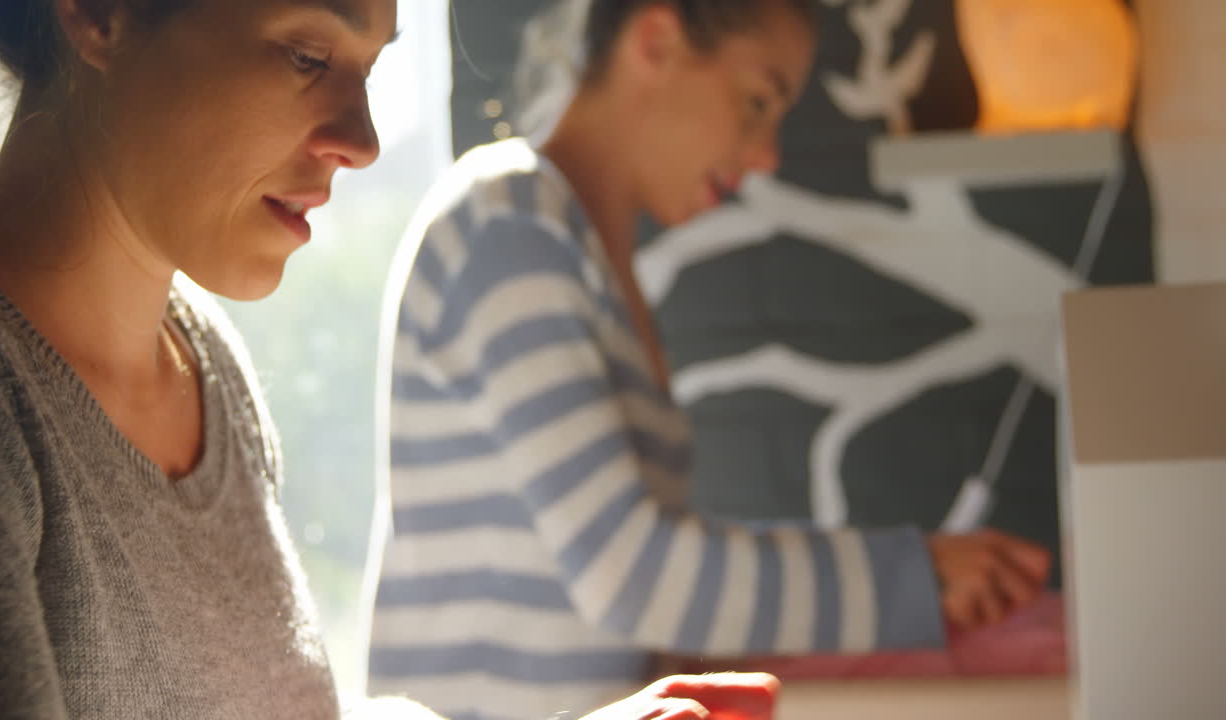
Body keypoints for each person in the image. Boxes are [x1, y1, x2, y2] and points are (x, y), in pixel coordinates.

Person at [0, 0, 778, 717]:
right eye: (309, 57)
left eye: (370, 72)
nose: (365, 140)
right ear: (97, 11)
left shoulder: (205, 364)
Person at [365, 0, 1054, 718]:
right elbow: (631, 572)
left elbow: (619, 594)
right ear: (656, 42)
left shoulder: (581, 252)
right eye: (757, 101)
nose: (766, 156)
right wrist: (909, 579)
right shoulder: (508, 230)